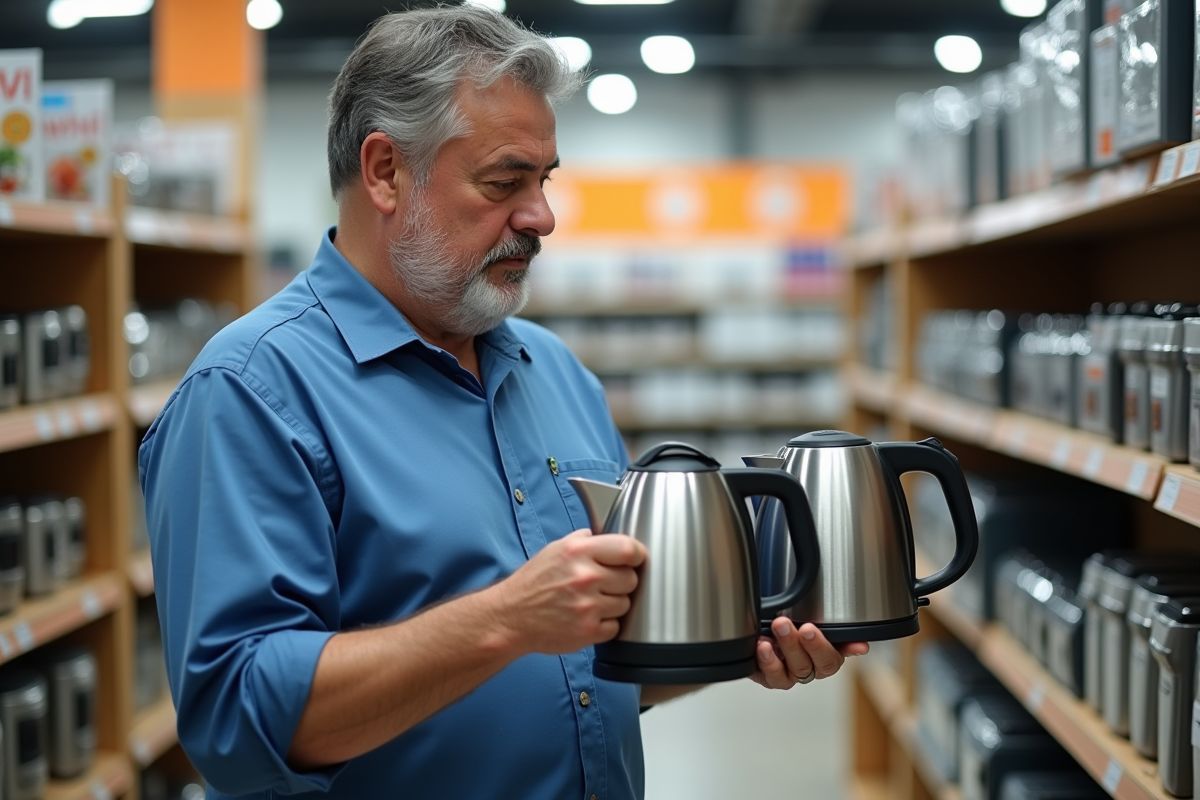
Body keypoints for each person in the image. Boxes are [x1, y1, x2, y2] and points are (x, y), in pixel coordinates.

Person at [139, 7, 867, 799]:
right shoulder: (252, 391)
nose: (542, 216)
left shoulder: (554, 373)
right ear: (385, 171)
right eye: (504, 181)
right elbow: (239, 722)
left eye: (544, 180)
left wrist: (732, 646)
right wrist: (503, 621)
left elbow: (595, 674)